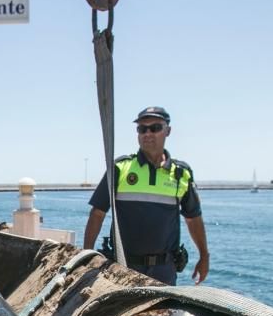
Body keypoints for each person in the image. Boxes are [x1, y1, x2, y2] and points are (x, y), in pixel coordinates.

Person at [83, 106, 209, 285]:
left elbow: (193, 218)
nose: (147, 133)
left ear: (168, 131)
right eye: (142, 129)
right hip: (122, 266)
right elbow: (97, 213)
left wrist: (204, 256)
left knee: (163, 313)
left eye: (155, 128)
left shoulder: (181, 173)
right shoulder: (120, 168)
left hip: (164, 271)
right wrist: (86, 255)